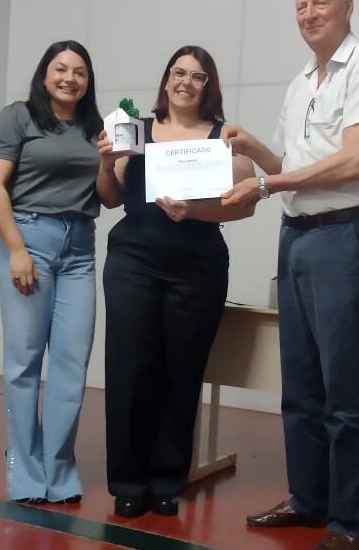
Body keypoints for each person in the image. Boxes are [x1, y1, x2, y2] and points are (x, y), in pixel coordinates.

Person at [221, 1, 359, 549]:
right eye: (299, 4)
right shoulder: (300, 83)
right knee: (299, 386)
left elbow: (355, 161)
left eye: (320, 0)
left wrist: (267, 185)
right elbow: (288, 169)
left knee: (341, 390)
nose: (308, 11)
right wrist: (255, 150)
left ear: (348, 5)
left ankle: (348, 524)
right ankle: (307, 499)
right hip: (295, 236)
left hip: (343, 236)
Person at [97, 45, 256, 518]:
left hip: (198, 268)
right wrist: (105, 162)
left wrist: (195, 211)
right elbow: (109, 197)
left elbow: (245, 205)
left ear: (209, 86)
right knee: (129, 370)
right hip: (133, 263)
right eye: (178, 72)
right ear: (166, 79)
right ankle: (128, 481)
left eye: (197, 76)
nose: (186, 82)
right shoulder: (134, 128)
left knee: (181, 372)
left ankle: (167, 479)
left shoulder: (223, 136)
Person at [0, 40, 103, 504]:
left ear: (88, 81)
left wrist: (113, 161)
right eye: (61, 68)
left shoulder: (95, 127)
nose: (70, 78)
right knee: (24, 360)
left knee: (72, 360)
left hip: (80, 247)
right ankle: (25, 470)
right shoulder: (18, 117)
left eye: (80, 71)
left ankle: (59, 468)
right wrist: (16, 249)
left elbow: (108, 195)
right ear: (45, 74)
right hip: (27, 237)